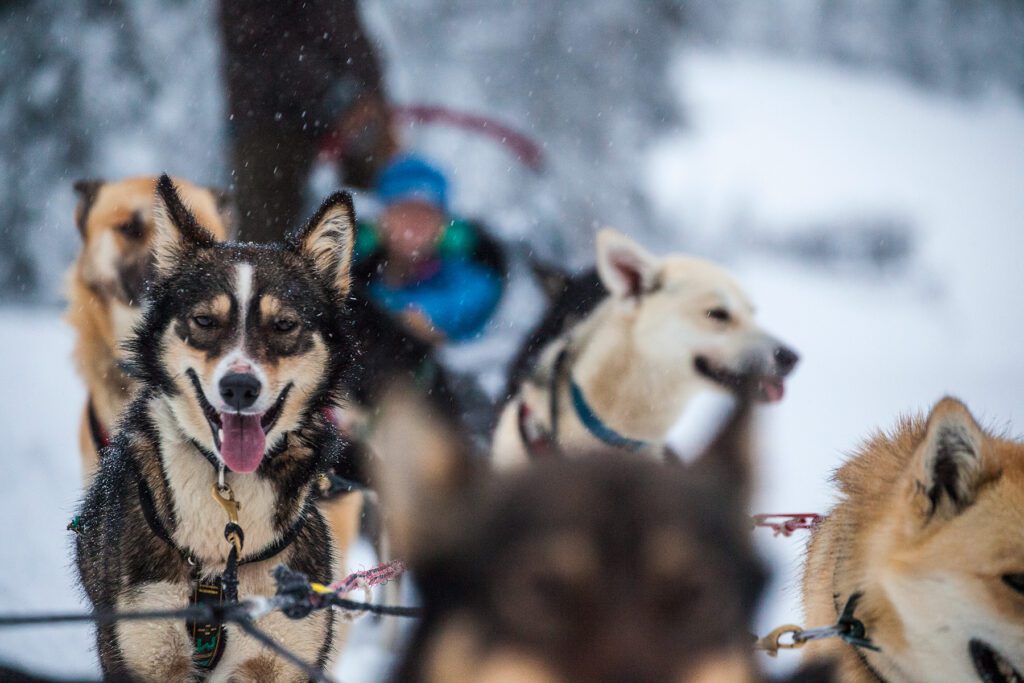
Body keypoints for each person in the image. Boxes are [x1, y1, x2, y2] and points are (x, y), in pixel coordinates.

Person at [219, 0, 396, 242]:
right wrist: (339, 97)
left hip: (350, 110)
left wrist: (372, 99)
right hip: (271, 118)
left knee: (383, 219)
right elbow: (260, 42)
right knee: (265, 233)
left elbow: (348, 36)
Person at [355, 155, 505, 343]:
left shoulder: (470, 281)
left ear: (443, 226)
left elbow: (470, 301)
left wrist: (416, 317)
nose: (415, 224)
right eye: (404, 212)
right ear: (381, 219)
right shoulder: (354, 269)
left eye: (427, 214)